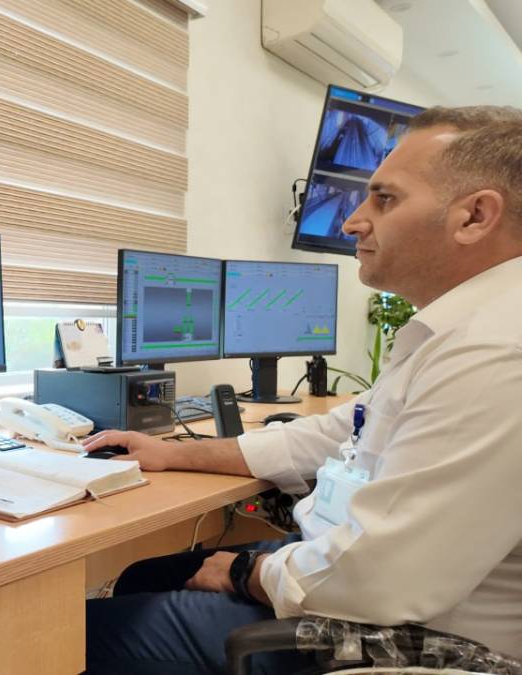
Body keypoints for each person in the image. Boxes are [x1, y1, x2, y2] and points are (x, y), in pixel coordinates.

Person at [83, 106, 522, 674]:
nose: (353, 222)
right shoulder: (459, 331)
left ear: (475, 216)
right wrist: (172, 454)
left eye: (384, 199)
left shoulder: (494, 351)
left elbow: (380, 580)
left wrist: (245, 572)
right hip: (360, 578)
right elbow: (333, 432)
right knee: (143, 575)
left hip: (401, 637)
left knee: (75, 636)